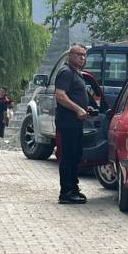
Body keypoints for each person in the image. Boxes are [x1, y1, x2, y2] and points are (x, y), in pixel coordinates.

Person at [54, 43, 91, 204]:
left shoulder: (77, 73)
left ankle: (74, 188)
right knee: (68, 157)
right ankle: (66, 192)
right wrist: (77, 109)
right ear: (70, 55)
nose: (82, 58)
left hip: (76, 123)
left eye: (84, 55)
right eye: (79, 55)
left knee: (76, 156)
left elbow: (73, 95)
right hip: (67, 123)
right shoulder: (66, 72)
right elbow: (60, 95)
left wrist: (85, 107)